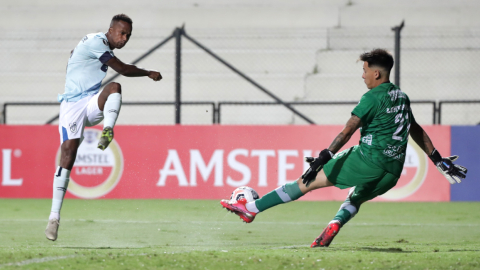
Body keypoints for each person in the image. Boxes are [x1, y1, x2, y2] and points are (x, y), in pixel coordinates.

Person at [220, 48, 468, 247]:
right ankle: (336, 223)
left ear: (377, 74)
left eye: (365, 70)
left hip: (367, 159)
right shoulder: (402, 96)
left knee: (306, 182)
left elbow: (348, 129)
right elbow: (414, 128)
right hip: (393, 172)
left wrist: (324, 156)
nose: (363, 75)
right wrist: (436, 159)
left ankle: (250, 208)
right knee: (355, 198)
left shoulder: (371, 97)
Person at [45, 14, 162, 241]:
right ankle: (54, 218)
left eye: (128, 35)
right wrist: (148, 72)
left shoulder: (98, 44)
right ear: (110, 30)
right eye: (122, 33)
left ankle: (107, 130)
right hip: (72, 105)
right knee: (68, 154)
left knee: (114, 87)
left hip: (90, 102)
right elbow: (123, 68)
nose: (125, 38)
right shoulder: (96, 42)